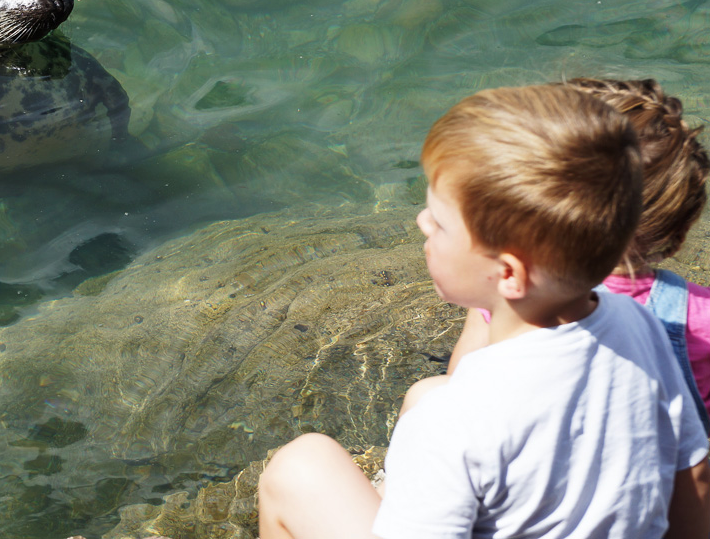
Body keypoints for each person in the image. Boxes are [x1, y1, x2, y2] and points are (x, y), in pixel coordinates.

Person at [258, 84, 710, 539]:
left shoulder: (452, 425)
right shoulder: (640, 326)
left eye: (440, 221)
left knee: (299, 466)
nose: (421, 222)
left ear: (509, 274)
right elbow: (691, 474)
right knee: (426, 392)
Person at [434, 78, 710, 429]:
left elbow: (460, 401)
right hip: (647, 480)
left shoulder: (505, 288)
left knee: (428, 393)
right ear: (677, 233)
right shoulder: (699, 320)